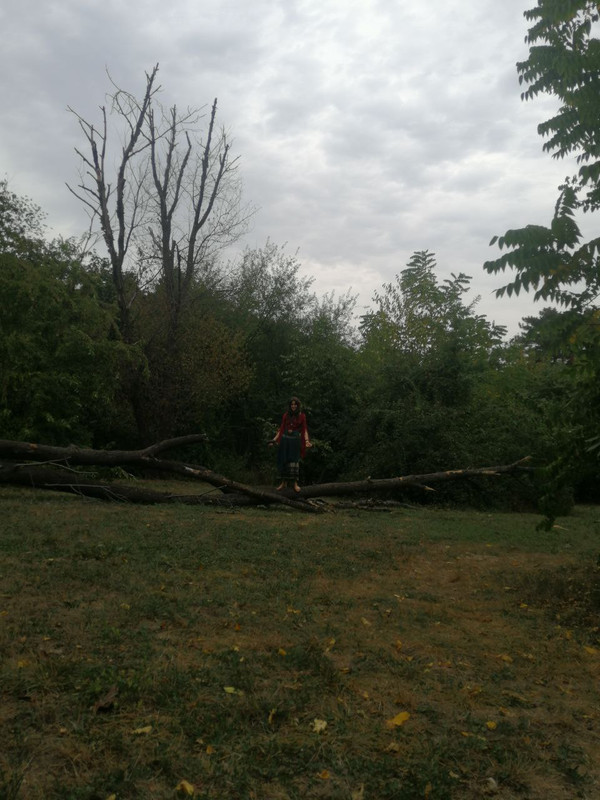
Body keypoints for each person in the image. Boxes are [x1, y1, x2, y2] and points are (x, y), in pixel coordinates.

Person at [270, 397, 312, 492]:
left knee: (294, 461)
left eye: (295, 404)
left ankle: (295, 484)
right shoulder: (285, 415)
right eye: (292, 404)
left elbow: (304, 429)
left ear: (298, 405)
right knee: (284, 460)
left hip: (295, 441)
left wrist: (306, 441)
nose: (293, 406)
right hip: (285, 440)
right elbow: (281, 429)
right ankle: (283, 483)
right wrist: (273, 440)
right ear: (290, 405)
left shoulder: (302, 416)